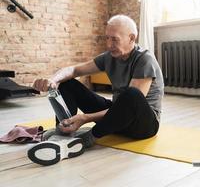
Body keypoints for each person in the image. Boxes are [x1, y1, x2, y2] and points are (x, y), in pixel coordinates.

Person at [28, 14, 164, 166]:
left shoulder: (144, 60)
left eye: (114, 39)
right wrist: (53, 80)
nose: (109, 44)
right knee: (67, 82)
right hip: (116, 120)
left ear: (131, 38)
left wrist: (86, 118)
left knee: (131, 94)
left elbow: (131, 104)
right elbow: (74, 70)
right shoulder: (110, 57)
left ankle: (88, 139)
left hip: (142, 126)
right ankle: (65, 131)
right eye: (107, 38)